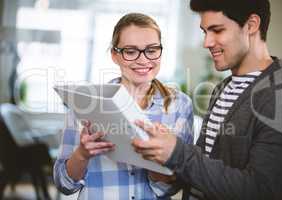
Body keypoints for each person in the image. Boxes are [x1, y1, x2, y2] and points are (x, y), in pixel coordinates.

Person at [132, 0, 282, 199]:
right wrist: (164, 167)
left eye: (217, 30)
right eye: (205, 32)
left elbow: (261, 190)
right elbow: (207, 170)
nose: (207, 43)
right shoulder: (223, 88)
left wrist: (178, 153)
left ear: (252, 25)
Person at [53, 13, 194, 200]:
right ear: (115, 55)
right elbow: (64, 184)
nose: (143, 60)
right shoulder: (86, 102)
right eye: (130, 51)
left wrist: (155, 163)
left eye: (151, 50)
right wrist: (82, 154)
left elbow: (176, 186)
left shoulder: (180, 105)